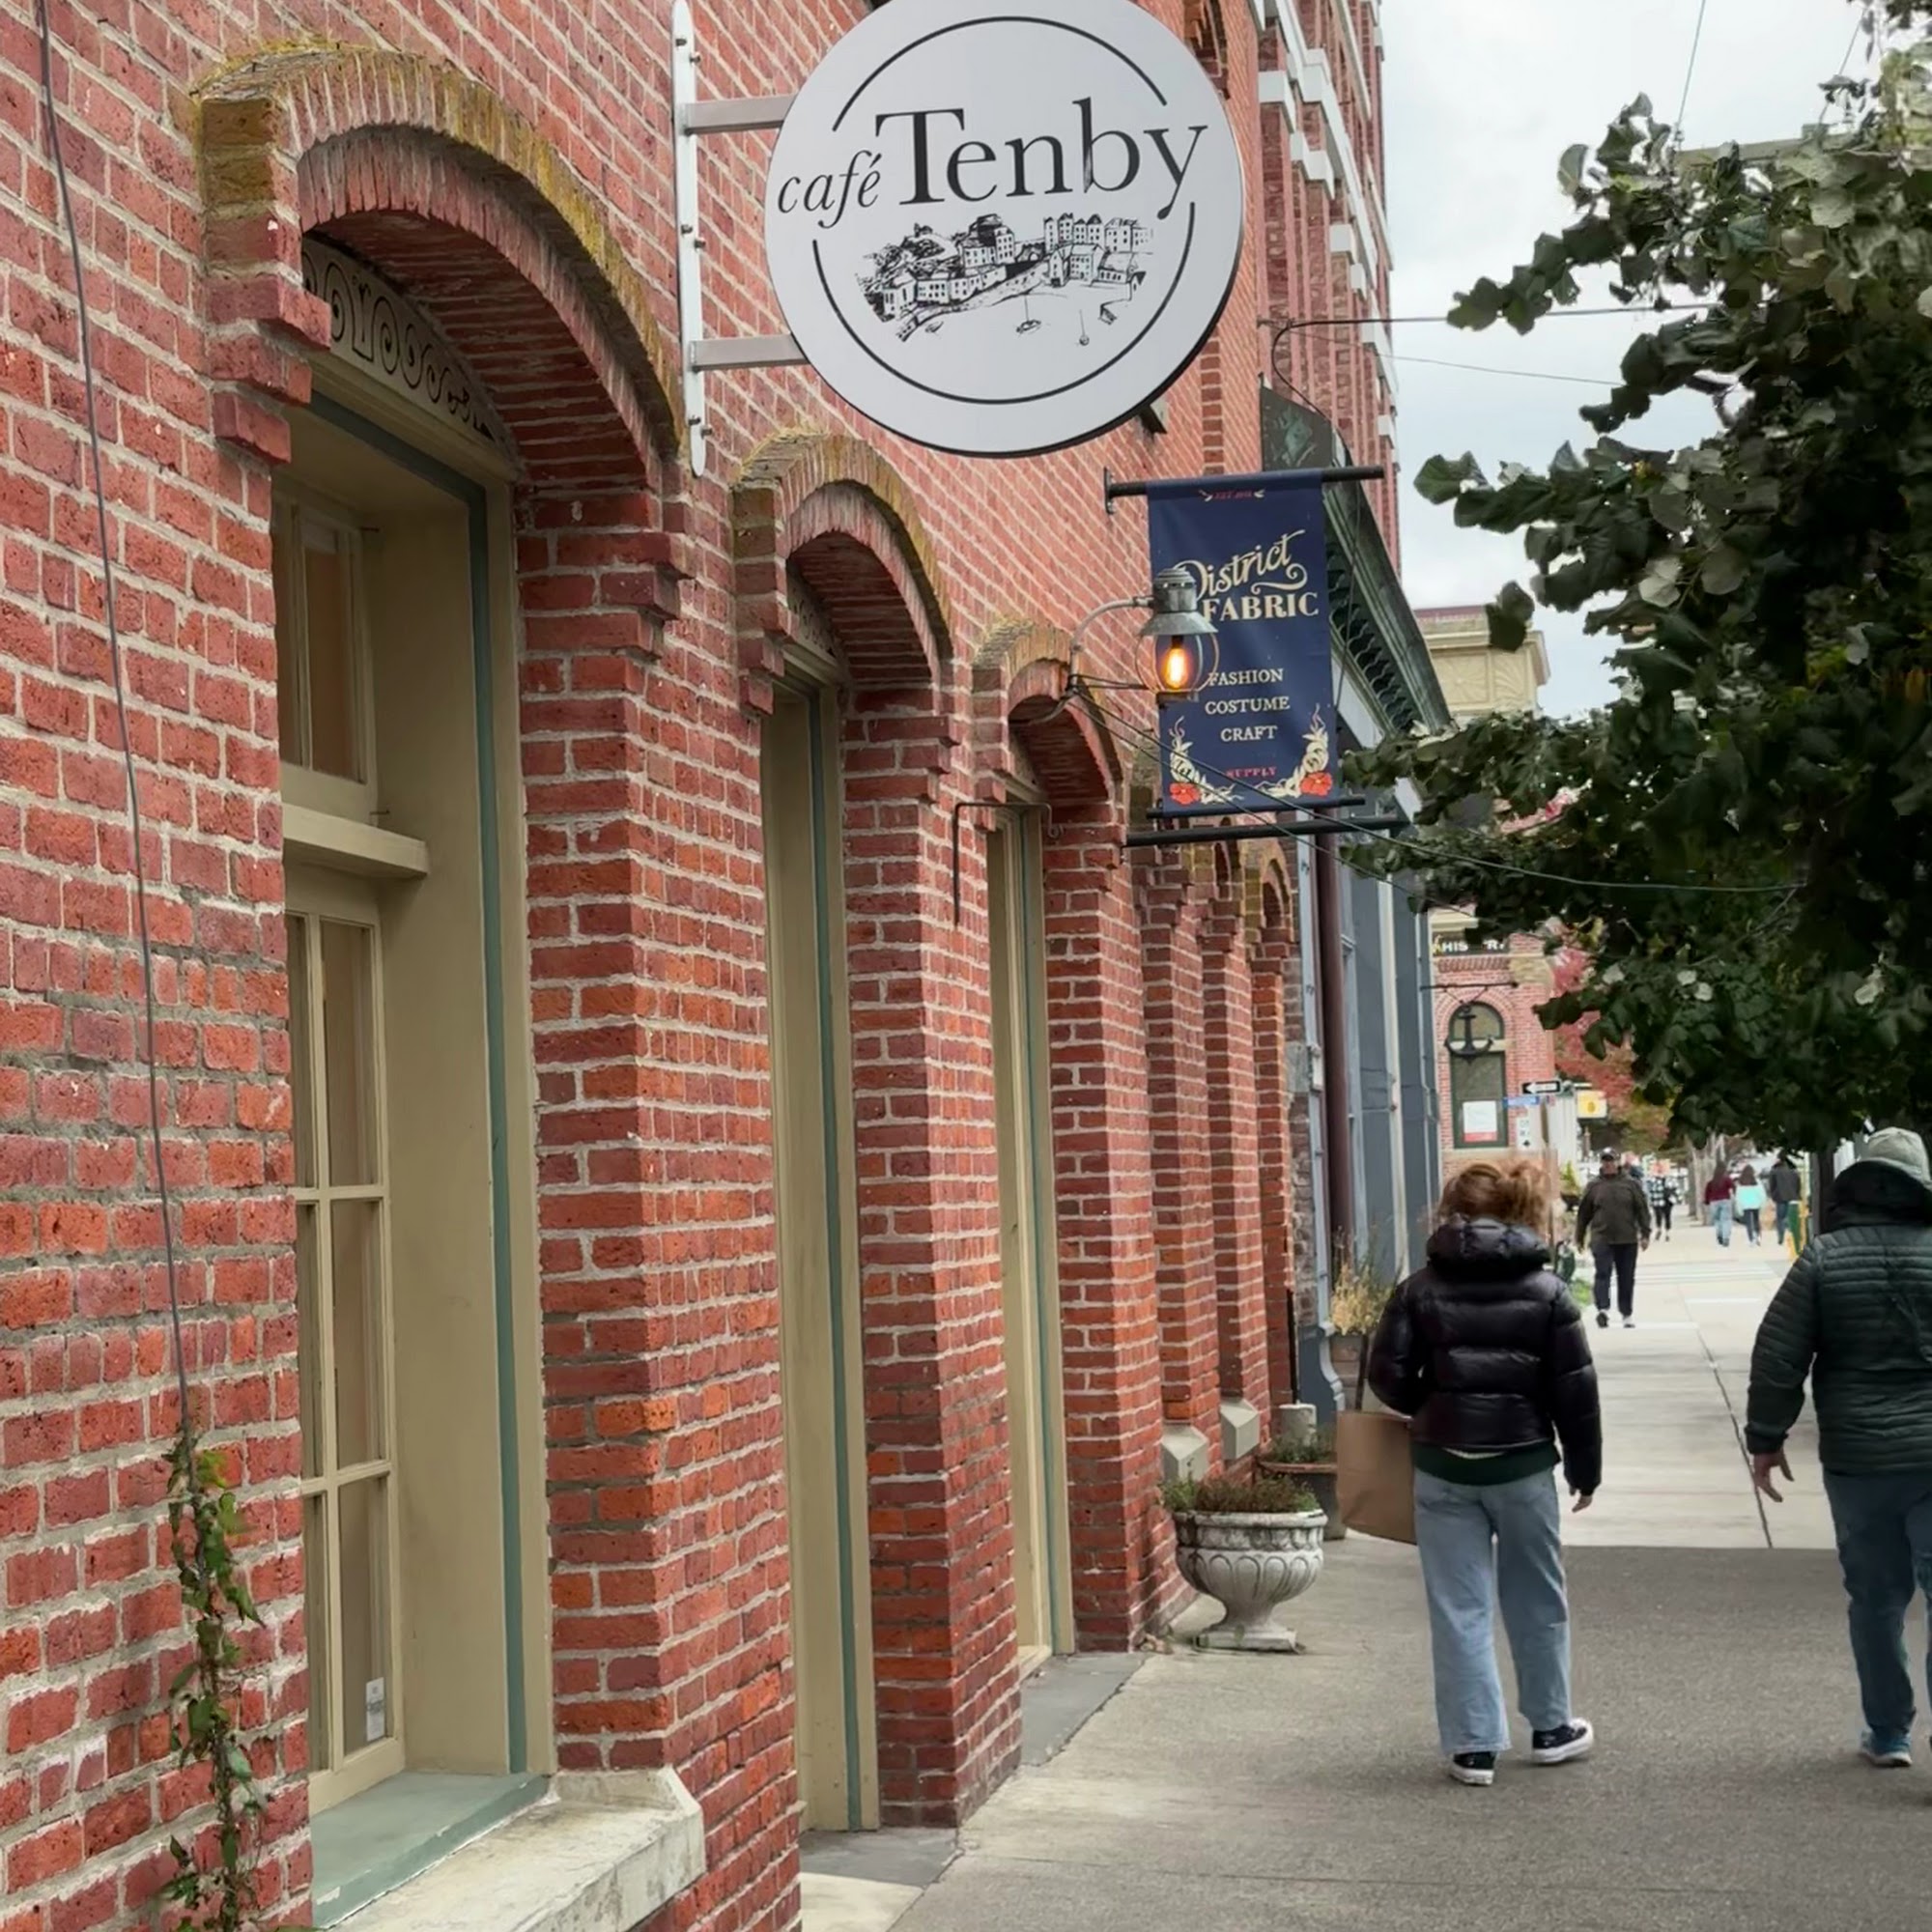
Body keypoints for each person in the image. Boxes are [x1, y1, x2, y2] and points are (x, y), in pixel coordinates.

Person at [1368, 1158, 1601, 1787]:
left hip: (1443, 1465)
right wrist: (1585, 1469)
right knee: (1536, 1596)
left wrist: (1435, 1409)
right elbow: (1574, 1391)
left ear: (1450, 1214)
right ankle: (1551, 1727)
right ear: (1519, 1212)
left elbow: (1384, 1373)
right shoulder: (1548, 1292)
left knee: (1458, 1605)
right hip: (1523, 1463)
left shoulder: (1419, 1288)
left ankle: (1473, 1746)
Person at [1746, 1129, 1932, 1770]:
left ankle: (1888, 1732)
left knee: (1876, 1599)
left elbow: (1778, 1357)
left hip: (1860, 1458)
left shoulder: (1823, 1258)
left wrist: (1765, 1440)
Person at [1576, 1148, 1653, 1329]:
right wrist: (1579, 1236)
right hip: (1602, 1237)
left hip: (1627, 1239)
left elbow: (1642, 1210)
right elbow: (1583, 1213)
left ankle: (1626, 1313)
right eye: (1605, 1160)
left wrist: (1645, 1233)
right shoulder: (1594, 1186)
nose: (1608, 1164)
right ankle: (1602, 1309)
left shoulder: (1631, 1184)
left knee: (1626, 1277)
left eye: (1611, 1160)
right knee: (1602, 1273)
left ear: (1618, 1162)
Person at [1769, 1153, 1804, 1247]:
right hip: (1793, 1197)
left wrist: (1773, 1196)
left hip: (1780, 1197)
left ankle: (1781, 1237)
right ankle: (1794, 1235)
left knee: (1780, 1218)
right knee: (1792, 1217)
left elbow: (1772, 1185)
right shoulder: (1793, 1171)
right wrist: (1797, 1195)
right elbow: (1798, 1184)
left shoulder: (1774, 1171)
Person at [1704, 1166, 1737, 1245]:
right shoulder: (1727, 1180)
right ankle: (1726, 1237)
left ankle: (1719, 1234)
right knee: (1726, 1220)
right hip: (1725, 1200)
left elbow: (1707, 1193)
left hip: (1714, 1202)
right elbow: (1733, 1186)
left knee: (1717, 1220)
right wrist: (1734, 1195)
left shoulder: (1711, 1182)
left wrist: (1707, 1201)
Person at [1736, 1164, 1766, 1245]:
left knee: (1749, 1223)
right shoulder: (1756, 1182)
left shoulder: (1741, 1183)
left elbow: (1738, 1197)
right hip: (1756, 1204)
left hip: (1746, 1206)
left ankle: (1751, 1239)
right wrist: (1763, 1204)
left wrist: (1739, 1208)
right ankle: (1758, 1237)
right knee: (1756, 1221)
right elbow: (1762, 1194)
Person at [1646, 1168, 1677, 1240]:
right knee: (1659, 1216)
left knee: (1667, 1216)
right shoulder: (1653, 1180)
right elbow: (1650, 1191)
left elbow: (1675, 1189)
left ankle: (1667, 1233)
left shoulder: (1670, 1179)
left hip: (1667, 1201)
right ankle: (1660, 1229)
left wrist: (1675, 1198)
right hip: (1658, 1201)